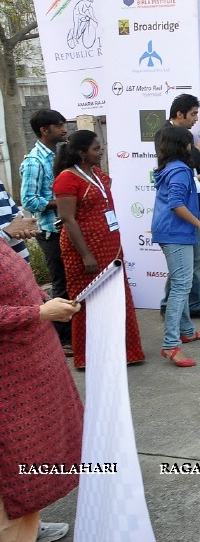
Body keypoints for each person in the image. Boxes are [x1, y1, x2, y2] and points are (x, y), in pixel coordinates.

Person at [0, 240, 82, 542]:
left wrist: (45, 300)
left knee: (31, 455)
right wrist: (38, 313)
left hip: (30, 363)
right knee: (9, 463)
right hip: (8, 376)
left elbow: (19, 286)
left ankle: (27, 533)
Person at [53, 130, 144, 370]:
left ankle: (124, 353)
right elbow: (68, 219)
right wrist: (86, 254)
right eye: (95, 148)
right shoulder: (66, 178)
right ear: (81, 153)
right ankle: (89, 357)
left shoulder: (97, 173)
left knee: (116, 299)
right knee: (87, 302)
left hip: (110, 247)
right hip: (84, 251)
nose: (100, 151)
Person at [156, 94, 200, 320]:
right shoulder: (164, 135)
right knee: (184, 265)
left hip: (194, 204)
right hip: (180, 214)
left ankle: (190, 307)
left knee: (192, 261)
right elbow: (175, 165)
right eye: (193, 114)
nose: (196, 119)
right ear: (179, 114)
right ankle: (174, 308)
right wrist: (196, 149)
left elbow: (193, 172)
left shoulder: (190, 136)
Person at [152, 127, 200, 367]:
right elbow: (176, 204)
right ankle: (170, 345)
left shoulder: (174, 168)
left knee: (183, 284)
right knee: (180, 287)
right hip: (176, 233)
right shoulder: (178, 169)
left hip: (175, 232)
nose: (193, 146)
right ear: (183, 145)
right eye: (190, 142)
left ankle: (186, 330)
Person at [20, 109, 71, 350]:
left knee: (72, 282)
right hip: (50, 232)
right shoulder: (34, 161)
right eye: (59, 126)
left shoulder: (57, 155)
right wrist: (62, 202)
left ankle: (74, 333)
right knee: (60, 283)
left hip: (67, 229)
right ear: (44, 130)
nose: (64, 129)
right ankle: (62, 339)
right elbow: (29, 200)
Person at [0, 180, 34, 262]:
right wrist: (6, 233)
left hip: (20, 266)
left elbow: (17, 215)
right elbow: (10, 230)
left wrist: (24, 227)